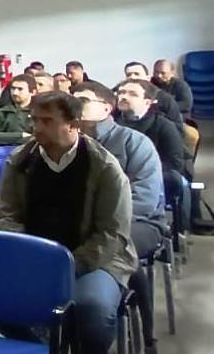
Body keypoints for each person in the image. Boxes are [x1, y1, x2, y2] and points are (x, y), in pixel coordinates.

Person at [0, 92, 137, 354]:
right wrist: (29, 256)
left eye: (47, 121)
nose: (37, 128)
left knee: (91, 310)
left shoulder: (105, 167)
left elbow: (111, 234)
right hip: (36, 257)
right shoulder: (19, 161)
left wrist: (63, 266)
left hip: (97, 260)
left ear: (74, 125)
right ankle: (45, 348)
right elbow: (7, 215)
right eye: (34, 120)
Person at [73, 81, 168, 351]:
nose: (74, 104)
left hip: (140, 223)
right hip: (84, 226)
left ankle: (142, 332)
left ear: (106, 108)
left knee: (118, 245)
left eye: (83, 100)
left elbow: (144, 201)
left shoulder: (135, 143)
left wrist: (95, 221)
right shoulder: (68, 142)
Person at [124, 62, 185, 133]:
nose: (132, 77)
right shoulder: (120, 98)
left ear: (148, 78)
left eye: (137, 74)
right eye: (128, 75)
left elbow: (178, 129)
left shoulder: (165, 99)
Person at [0, 74, 36, 146]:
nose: (15, 93)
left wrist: (6, 138)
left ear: (32, 92)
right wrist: (20, 135)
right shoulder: (1, 112)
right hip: (5, 150)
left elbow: (40, 138)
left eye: (20, 89)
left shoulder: (40, 112)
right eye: (13, 88)